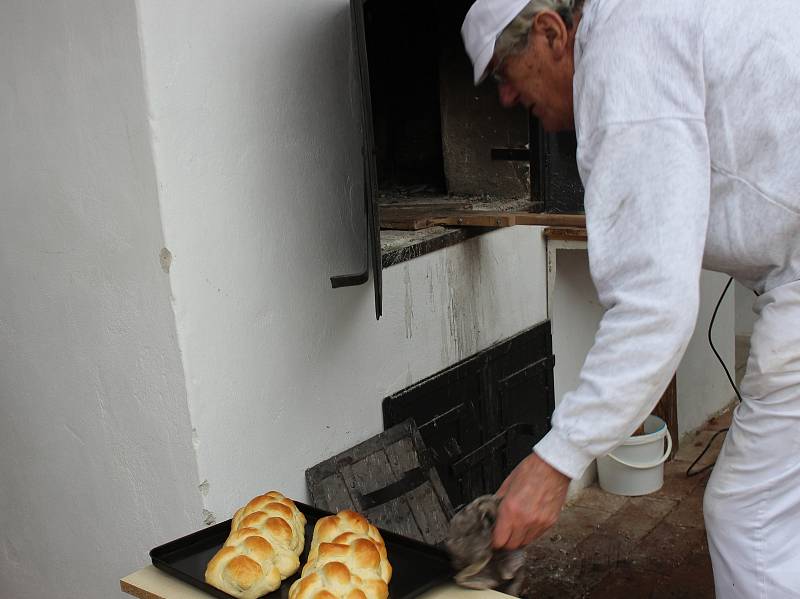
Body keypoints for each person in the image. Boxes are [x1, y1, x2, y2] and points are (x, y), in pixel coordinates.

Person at [460, 0, 800, 596]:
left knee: (751, 516)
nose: (506, 100)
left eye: (502, 73)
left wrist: (556, 461)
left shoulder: (622, 57)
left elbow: (654, 307)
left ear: (550, 32)